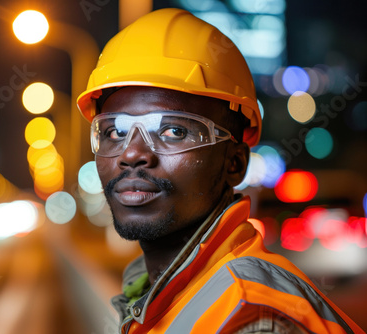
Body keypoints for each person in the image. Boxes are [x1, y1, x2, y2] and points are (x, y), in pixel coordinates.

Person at [77, 8, 364, 334]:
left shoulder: (253, 319)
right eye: (114, 131)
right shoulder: (160, 291)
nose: (131, 154)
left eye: (173, 131)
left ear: (235, 163)